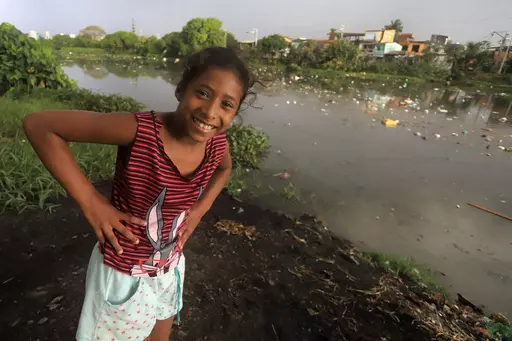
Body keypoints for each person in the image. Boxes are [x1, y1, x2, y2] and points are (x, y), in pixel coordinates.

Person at [23, 47, 256, 341]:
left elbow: (224, 169)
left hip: (169, 268)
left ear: (234, 112)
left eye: (226, 104)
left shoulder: (217, 144)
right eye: (204, 93)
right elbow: (40, 126)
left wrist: (198, 211)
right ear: (181, 90)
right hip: (122, 273)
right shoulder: (140, 130)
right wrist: (91, 201)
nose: (210, 112)